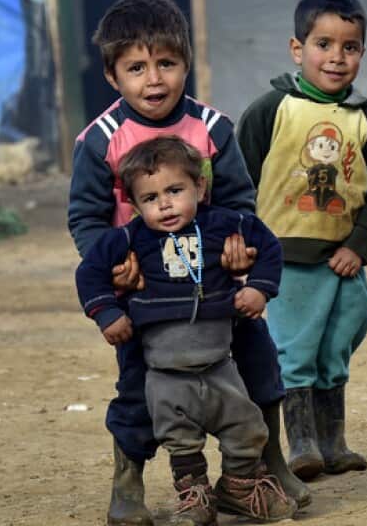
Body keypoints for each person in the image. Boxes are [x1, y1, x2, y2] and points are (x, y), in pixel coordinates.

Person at [67, 0, 310, 525]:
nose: (154, 79)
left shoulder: (212, 129)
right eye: (136, 67)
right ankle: (126, 482)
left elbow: (239, 202)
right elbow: (85, 218)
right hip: (145, 297)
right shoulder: (101, 140)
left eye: (167, 63)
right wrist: (111, 269)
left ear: (186, 63)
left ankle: (267, 465)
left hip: (218, 286)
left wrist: (238, 248)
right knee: (139, 387)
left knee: (257, 366)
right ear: (113, 76)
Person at [76, 137, 298, 524]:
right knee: (179, 437)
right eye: (149, 198)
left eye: (175, 191)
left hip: (220, 363)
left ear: (199, 187)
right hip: (164, 368)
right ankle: (194, 498)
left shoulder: (224, 224)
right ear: (133, 204)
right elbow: (89, 271)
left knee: (245, 426)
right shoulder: (130, 239)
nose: (164, 204)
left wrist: (258, 287)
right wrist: (107, 312)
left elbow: (270, 246)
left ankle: (239, 489)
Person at [237, 0, 367, 481]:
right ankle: (302, 443)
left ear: (362, 54)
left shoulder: (365, 119)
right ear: (297, 49)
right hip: (285, 261)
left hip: (342, 261)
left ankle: (334, 441)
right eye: (323, 44)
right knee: (295, 349)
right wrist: (244, 245)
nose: (336, 57)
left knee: (337, 347)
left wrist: (360, 245)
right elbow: (236, 180)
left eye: (349, 47)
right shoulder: (271, 110)